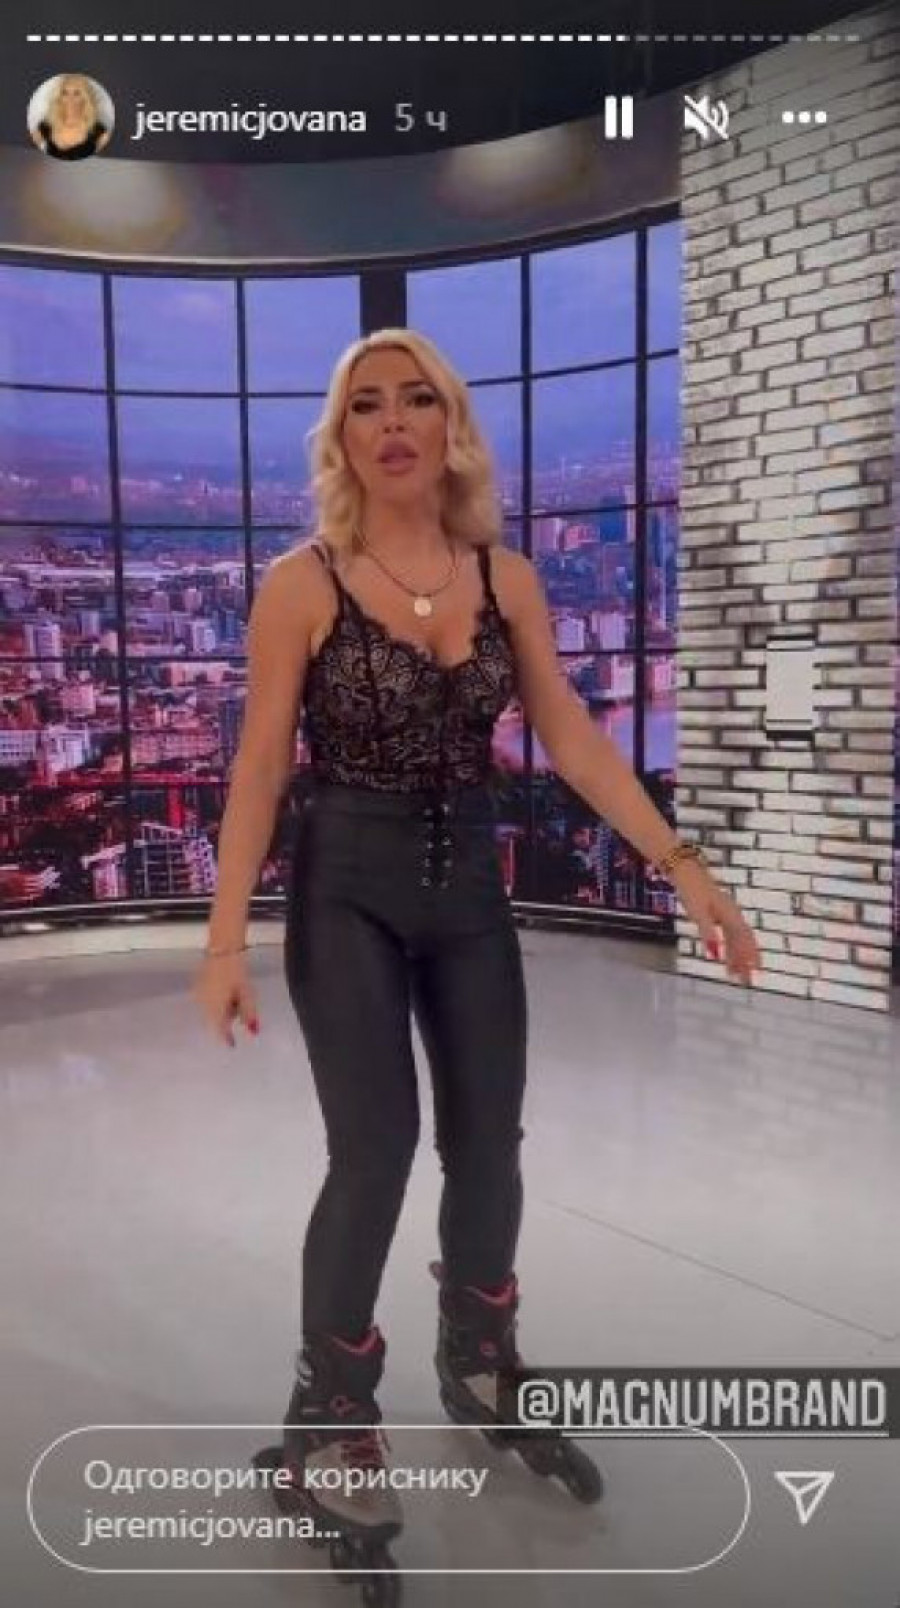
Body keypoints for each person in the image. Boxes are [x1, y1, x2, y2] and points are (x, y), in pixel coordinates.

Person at [192, 328, 760, 1544]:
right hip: (345, 890)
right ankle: (330, 1416)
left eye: (418, 400)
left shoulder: (508, 579)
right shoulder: (303, 583)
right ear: (342, 436)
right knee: (376, 1152)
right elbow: (259, 768)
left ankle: (481, 1360)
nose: (394, 422)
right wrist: (224, 939)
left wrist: (686, 870)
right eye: (366, 405)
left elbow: (575, 739)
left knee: (490, 1145)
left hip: (468, 900)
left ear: (451, 426)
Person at [33, 74, 111, 160]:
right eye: (65, 93)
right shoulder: (47, 124)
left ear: (85, 98)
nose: (70, 98)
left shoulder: (98, 131)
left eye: (77, 93)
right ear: (59, 97)